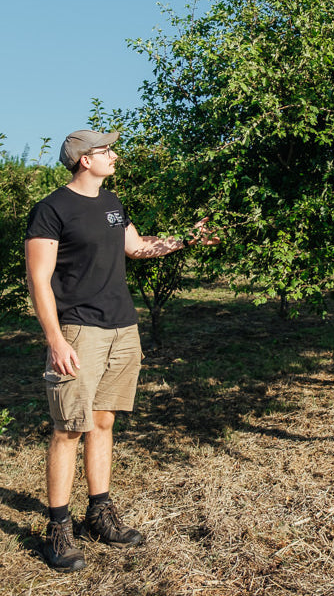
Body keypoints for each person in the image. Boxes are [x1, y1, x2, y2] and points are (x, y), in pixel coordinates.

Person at [25, 129, 218, 572]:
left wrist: (188, 238)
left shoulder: (112, 203)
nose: (113, 156)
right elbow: (39, 279)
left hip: (121, 328)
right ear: (82, 160)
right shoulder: (51, 210)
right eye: (104, 150)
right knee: (68, 427)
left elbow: (136, 248)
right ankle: (58, 528)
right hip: (78, 331)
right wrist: (55, 339)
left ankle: (100, 514)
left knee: (103, 421)